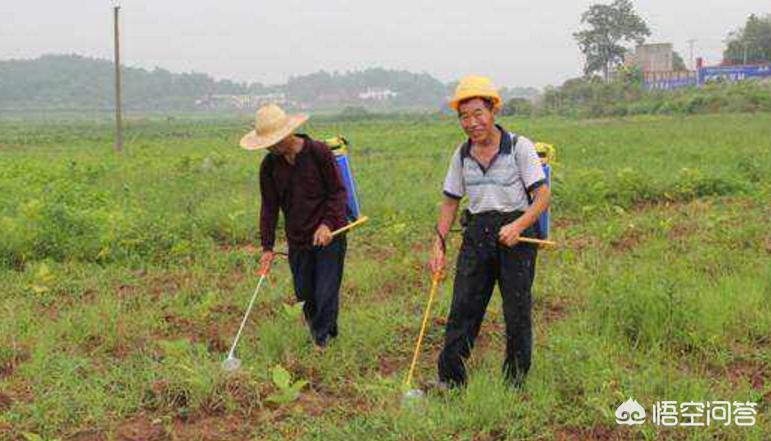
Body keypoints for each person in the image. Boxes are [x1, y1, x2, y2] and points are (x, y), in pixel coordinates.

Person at [428, 75, 551, 389]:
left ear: (493, 110)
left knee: (517, 311)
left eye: (478, 114)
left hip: (516, 238)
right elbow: (450, 202)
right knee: (463, 307)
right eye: (464, 117)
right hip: (477, 235)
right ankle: (450, 380)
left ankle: (515, 383)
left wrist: (518, 225)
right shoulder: (462, 155)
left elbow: (542, 197)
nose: (472, 123)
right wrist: (438, 243)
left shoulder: (520, 147)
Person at [240, 104, 348, 349]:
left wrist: (327, 225)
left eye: (275, 141)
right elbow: (269, 208)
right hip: (298, 238)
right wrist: (267, 247)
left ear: (288, 133)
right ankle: (322, 332)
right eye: (267, 143)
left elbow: (337, 192)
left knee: (326, 290)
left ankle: (322, 341)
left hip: (330, 234)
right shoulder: (269, 166)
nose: (271, 147)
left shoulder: (318, 152)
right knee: (304, 292)